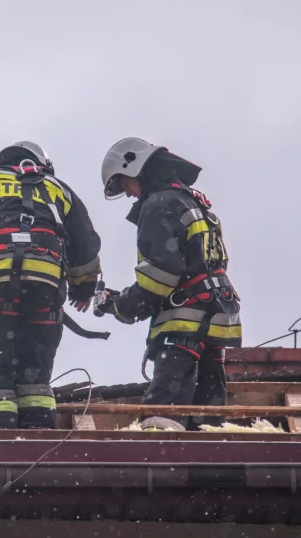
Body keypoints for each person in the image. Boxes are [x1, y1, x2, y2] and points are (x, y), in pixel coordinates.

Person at [0, 141, 102, 429]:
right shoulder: (58, 188)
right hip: (45, 288)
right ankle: (37, 433)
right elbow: (86, 249)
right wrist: (82, 290)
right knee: (35, 376)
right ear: (42, 165)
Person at [94, 137, 242, 431]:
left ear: (136, 169)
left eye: (126, 185)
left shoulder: (159, 204)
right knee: (208, 422)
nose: (130, 194)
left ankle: (161, 466)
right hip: (216, 321)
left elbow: (161, 276)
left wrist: (120, 305)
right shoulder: (193, 201)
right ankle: (209, 470)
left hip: (184, 326)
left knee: (163, 415)